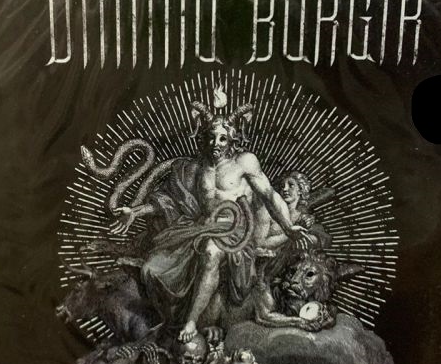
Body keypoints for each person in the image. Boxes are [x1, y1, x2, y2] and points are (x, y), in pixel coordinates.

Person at [110, 97, 315, 342]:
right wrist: (135, 212)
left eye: (222, 139)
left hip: (236, 230)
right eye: (210, 137)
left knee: (211, 252)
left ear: (232, 140)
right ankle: (171, 320)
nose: (215, 144)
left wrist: (288, 227)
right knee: (150, 269)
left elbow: (270, 196)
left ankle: (191, 322)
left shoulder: (245, 163)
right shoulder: (194, 169)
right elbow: (169, 201)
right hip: (199, 228)